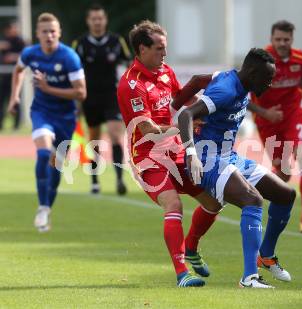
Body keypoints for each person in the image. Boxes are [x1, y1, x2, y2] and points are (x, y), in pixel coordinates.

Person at [178, 48, 297, 288]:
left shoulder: (234, 80)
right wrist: (190, 153)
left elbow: (197, 81)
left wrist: (175, 99)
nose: (270, 84)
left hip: (229, 157)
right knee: (252, 200)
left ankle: (267, 256)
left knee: (286, 194)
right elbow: (186, 115)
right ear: (252, 72)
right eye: (268, 78)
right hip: (207, 159)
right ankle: (249, 278)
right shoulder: (226, 89)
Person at [117, 20, 222, 287]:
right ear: (142, 49)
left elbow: (183, 101)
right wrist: (182, 125)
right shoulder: (131, 85)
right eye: (160, 48)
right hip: (147, 157)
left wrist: (208, 108)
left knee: (214, 203)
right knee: (173, 204)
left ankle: (191, 246)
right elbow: (147, 128)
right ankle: (182, 273)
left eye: (165, 48)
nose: (165, 54)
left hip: (175, 151)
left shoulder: (166, 72)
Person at [7, 13, 86, 232]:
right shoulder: (30, 53)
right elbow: (18, 70)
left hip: (66, 117)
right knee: (43, 154)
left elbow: (81, 93)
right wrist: (15, 96)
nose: (49, 35)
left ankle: (47, 208)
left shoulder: (69, 57)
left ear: (59, 33)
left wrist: (48, 88)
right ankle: (42, 207)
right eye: (45, 31)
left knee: (57, 165)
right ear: (37, 34)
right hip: (41, 112)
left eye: (53, 31)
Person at [250, 20, 302, 233]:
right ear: (271, 39)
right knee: (283, 172)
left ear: (292, 40)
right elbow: (244, 95)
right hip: (267, 121)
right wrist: (265, 113)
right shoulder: (259, 61)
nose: (282, 43)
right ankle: (250, 198)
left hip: (292, 115)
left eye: (286, 40)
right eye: (278, 39)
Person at [72, 4, 131, 195]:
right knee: (94, 138)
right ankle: (95, 181)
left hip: (111, 95)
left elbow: (129, 63)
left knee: (115, 134)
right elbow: (72, 70)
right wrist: (77, 100)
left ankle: (120, 179)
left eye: (100, 18)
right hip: (90, 97)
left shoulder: (116, 40)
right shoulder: (80, 44)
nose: (97, 22)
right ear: (88, 21)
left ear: (105, 20)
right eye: (93, 19)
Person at [0, 20, 25, 131]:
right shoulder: (5, 40)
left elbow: (26, 54)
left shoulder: (20, 41)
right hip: (5, 76)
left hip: (16, 76)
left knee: (16, 100)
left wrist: (13, 56)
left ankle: (17, 125)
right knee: (2, 100)